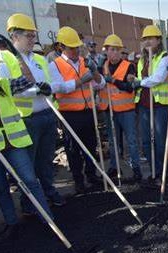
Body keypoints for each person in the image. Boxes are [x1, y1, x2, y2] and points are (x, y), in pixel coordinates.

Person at [0, 41, 53, 238]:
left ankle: (47, 219)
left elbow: (26, 80)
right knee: (0, 188)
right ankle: (12, 224)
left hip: (14, 144)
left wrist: (17, 56)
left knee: (30, 180)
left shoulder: (2, 85)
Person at [0, 13, 66, 209]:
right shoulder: (4, 59)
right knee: (29, 164)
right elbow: (6, 90)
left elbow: (51, 84)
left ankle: (49, 192)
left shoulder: (39, 59)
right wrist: (36, 90)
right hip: (26, 120)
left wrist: (48, 88)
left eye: (34, 35)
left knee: (45, 161)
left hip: (47, 114)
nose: (33, 39)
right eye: (29, 35)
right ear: (14, 36)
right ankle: (30, 203)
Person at [49, 26, 106, 194]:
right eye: (71, 47)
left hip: (88, 112)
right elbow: (58, 87)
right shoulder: (55, 66)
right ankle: (78, 180)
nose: (75, 50)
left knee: (91, 146)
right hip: (69, 115)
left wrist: (94, 71)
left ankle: (92, 175)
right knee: (72, 149)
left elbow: (101, 83)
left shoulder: (85, 62)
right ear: (61, 47)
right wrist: (81, 81)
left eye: (77, 47)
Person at [100, 34, 142, 182]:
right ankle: (114, 166)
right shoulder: (102, 66)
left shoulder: (128, 66)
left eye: (117, 50)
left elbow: (129, 88)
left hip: (126, 110)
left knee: (131, 140)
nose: (115, 53)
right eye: (112, 50)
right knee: (113, 141)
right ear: (106, 51)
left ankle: (136, 168)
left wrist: (113, 80)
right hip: (109, 109)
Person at [132, 25, 168, 182]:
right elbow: (140, 80)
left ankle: (163, 173)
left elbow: (158, 78)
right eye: (145, 39)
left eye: (151, 38)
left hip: (159, 105)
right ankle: (154, 171)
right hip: (144, 105)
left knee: (160, 141)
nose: (147, 42)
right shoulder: (142, 60)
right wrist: (134, 81)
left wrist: (139, 82)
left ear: (158, 40)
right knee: (147, 142)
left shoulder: (164, 57)